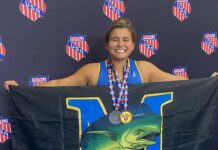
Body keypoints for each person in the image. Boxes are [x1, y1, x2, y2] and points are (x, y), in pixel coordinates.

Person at [4, 18, 218, 90]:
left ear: (133, 46)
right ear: (107, 45)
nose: (120, 44)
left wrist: (208, 83)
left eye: (126, 40)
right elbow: (59, 85)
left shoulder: (144, 69)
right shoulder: (92, 70)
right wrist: (23, 89)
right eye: (115, 39)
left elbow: (178, 82)